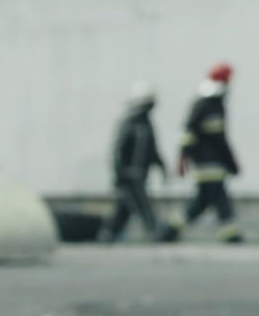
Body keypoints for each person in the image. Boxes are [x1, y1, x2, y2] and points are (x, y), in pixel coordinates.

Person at [175, 63, 243, 243]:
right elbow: (217, 140)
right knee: (220, 201)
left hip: (208, 165)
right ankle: (231, 235)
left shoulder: (207, 105)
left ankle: (170, 230)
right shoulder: (209, 105)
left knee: (201, 202)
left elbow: (218, 139)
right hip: (209, 166)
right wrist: (182, 160)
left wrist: (231, 163)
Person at [102, 83, 173, 243]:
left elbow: (153, 150)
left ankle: (108, 234)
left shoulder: (147, 125)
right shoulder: (129, 124)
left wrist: (162, 167)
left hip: (141, 174)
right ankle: (154, 231)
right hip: (129, 176)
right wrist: (120, 173)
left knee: (125, 207)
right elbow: (118, 151)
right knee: (142, 203)